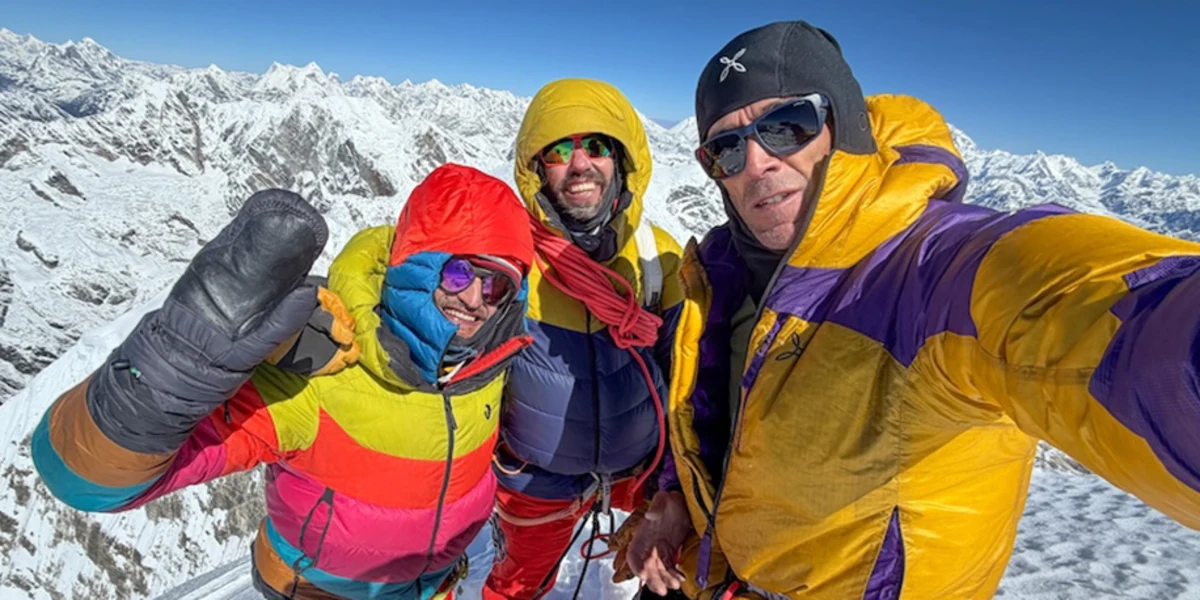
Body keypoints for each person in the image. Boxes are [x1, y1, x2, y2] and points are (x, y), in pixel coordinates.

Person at [625, 20, 1200, 600]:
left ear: (844, 126)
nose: (754, 162)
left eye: (785, 125)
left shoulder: (932, 272)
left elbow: (1083, 306)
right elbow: (722, 427)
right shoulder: (716, 277)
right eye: (725, 148)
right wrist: (677, 500)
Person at [32, 164, 536, 600]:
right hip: (319, 590)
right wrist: (174, 370)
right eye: (456, 273)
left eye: (496, 285)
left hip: (435, 586)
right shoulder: (321, 371)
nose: (474, 300)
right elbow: (83, 480)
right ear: (414, 264)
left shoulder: (488, 368)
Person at [481, 78, 684, 600]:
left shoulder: (657, 260)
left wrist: (671, 486)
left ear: (621, 159)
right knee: (515, 589)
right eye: (557, 151)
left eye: (595, 146)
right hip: (535, 479)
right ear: (535, 168)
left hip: (639, 471)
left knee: (677, 569)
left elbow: (687, 382)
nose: (579, 164)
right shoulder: (510, 259)